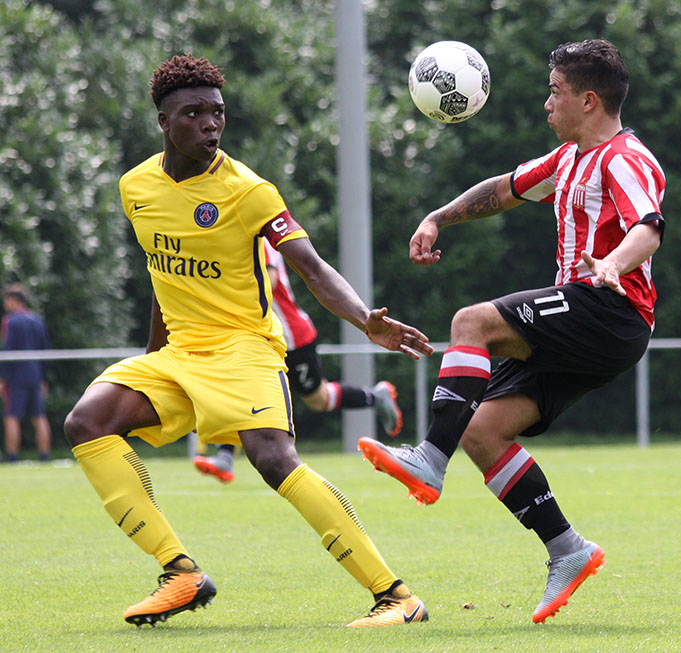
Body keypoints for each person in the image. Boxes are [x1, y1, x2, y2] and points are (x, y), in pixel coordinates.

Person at [63, 55, 433, 629]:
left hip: (245, 348)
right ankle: (180, 572)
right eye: (194, 114)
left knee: (272, 458)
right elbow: (163, 277)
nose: (210, 125)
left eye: (218, 113)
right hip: (180, 353)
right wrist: (152, 354)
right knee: (88, 421)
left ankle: (396, 596)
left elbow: (311, 268)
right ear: (164, 121)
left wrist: (365, 319)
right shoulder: (135, 186)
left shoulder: (249, 190)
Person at [358, 39, 665, 624]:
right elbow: (504, 188)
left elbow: (648, 227)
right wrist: (438, 216)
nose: (546, 103)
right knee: (483, 432)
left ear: (589, 99)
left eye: (555, 92)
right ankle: (567, 549)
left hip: (610, 310)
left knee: (471, 322)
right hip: (591, 320)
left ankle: (428, 457)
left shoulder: (623, 158)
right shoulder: (569, 158)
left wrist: (613, 262)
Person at [192, 238, 403, 484]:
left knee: (318, 398)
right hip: (260, 337)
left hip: (291, 336)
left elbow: (267, 281)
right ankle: (225, 458)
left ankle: (374, 397)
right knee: (239, 389)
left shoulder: (257, 239)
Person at [1, 284, 53, 463]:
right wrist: (43, 379)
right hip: (36, 375)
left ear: (14, 301)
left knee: (11, 417)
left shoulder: (9, 321)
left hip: (16, 377)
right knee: (39, 417)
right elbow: (45, 350)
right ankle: (44, 457)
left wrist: (3, 378)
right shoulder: (37, 320)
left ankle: (12, 458)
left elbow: (8, 350)